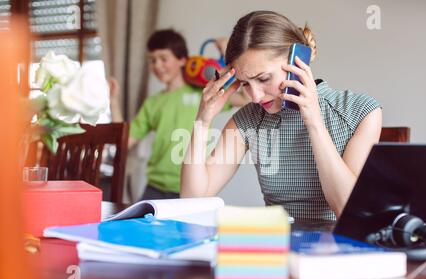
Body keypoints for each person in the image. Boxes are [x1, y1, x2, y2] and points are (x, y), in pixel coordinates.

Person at [180, 11, 382, 220]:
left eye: (264, 78)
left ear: (297, 61)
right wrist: (203, 121)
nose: (255, 96)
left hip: (339, 247)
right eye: (245, 84)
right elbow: (193, 198)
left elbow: (347, 210)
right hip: (277, 246)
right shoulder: (249, 119)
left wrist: (313, 121)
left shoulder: (360, 111)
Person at [110, 29, 249, 200]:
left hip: (193, 187)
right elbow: (124, 141)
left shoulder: (205, 93)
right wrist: (113, 101)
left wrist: (228, 52)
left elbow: (244, 98)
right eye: (152, 60)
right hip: (154, 188)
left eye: (163, 58)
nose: (157, 65)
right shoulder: (152, 103)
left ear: (182, 59)